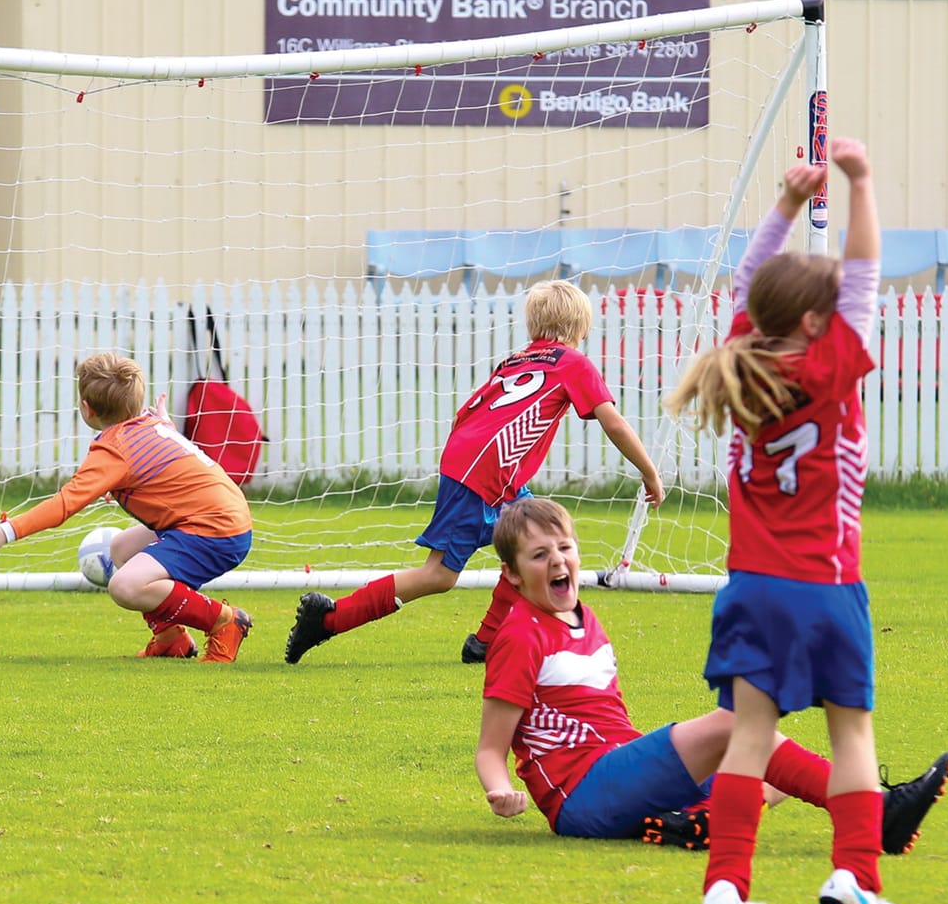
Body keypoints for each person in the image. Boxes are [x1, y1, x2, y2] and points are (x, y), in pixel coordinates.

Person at [665, 138, 905, 904]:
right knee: (852, 736)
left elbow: (746, 286)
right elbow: (866, 269)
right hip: (826, 585)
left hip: (750, 588)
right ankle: (856, 878)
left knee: (750, 738)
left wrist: (786, 205)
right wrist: (860, 183)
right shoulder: (833, 364)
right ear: (813, 319)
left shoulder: (741, 359)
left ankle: (725, 890)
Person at [474, 498, 948, 857]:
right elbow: (491, 748)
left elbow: (605, 719)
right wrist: (500, 790)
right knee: (736, 725)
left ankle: (692, 822)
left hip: (619, 769)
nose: (557, 561)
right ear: (512, 575)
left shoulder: (584, 615)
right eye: (539, 556)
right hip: (583, 795)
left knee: (776, 769)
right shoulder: (520, 634)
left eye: (564, 547)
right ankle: (873, 813)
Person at [284, 278, 664, 666]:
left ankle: (488, 642)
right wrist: (649, 472)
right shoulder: (573, 362)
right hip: (485, 471)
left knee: (539, 538)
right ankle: (328, 619)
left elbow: (468, 411)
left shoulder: (516, 361)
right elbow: (612, 421)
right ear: (581, 328)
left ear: (533, 326)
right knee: (440, 575)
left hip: (475, 462)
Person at [0, 353, 255, 662]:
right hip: (227, 517)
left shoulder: (115, 450)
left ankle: (224, 620)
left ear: (86, 408)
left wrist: (4, 532)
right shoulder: (151, 424)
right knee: (122, 548)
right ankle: (171, 639)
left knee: (125, 586)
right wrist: (164, 423)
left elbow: (64, 504)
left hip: (215, 532)